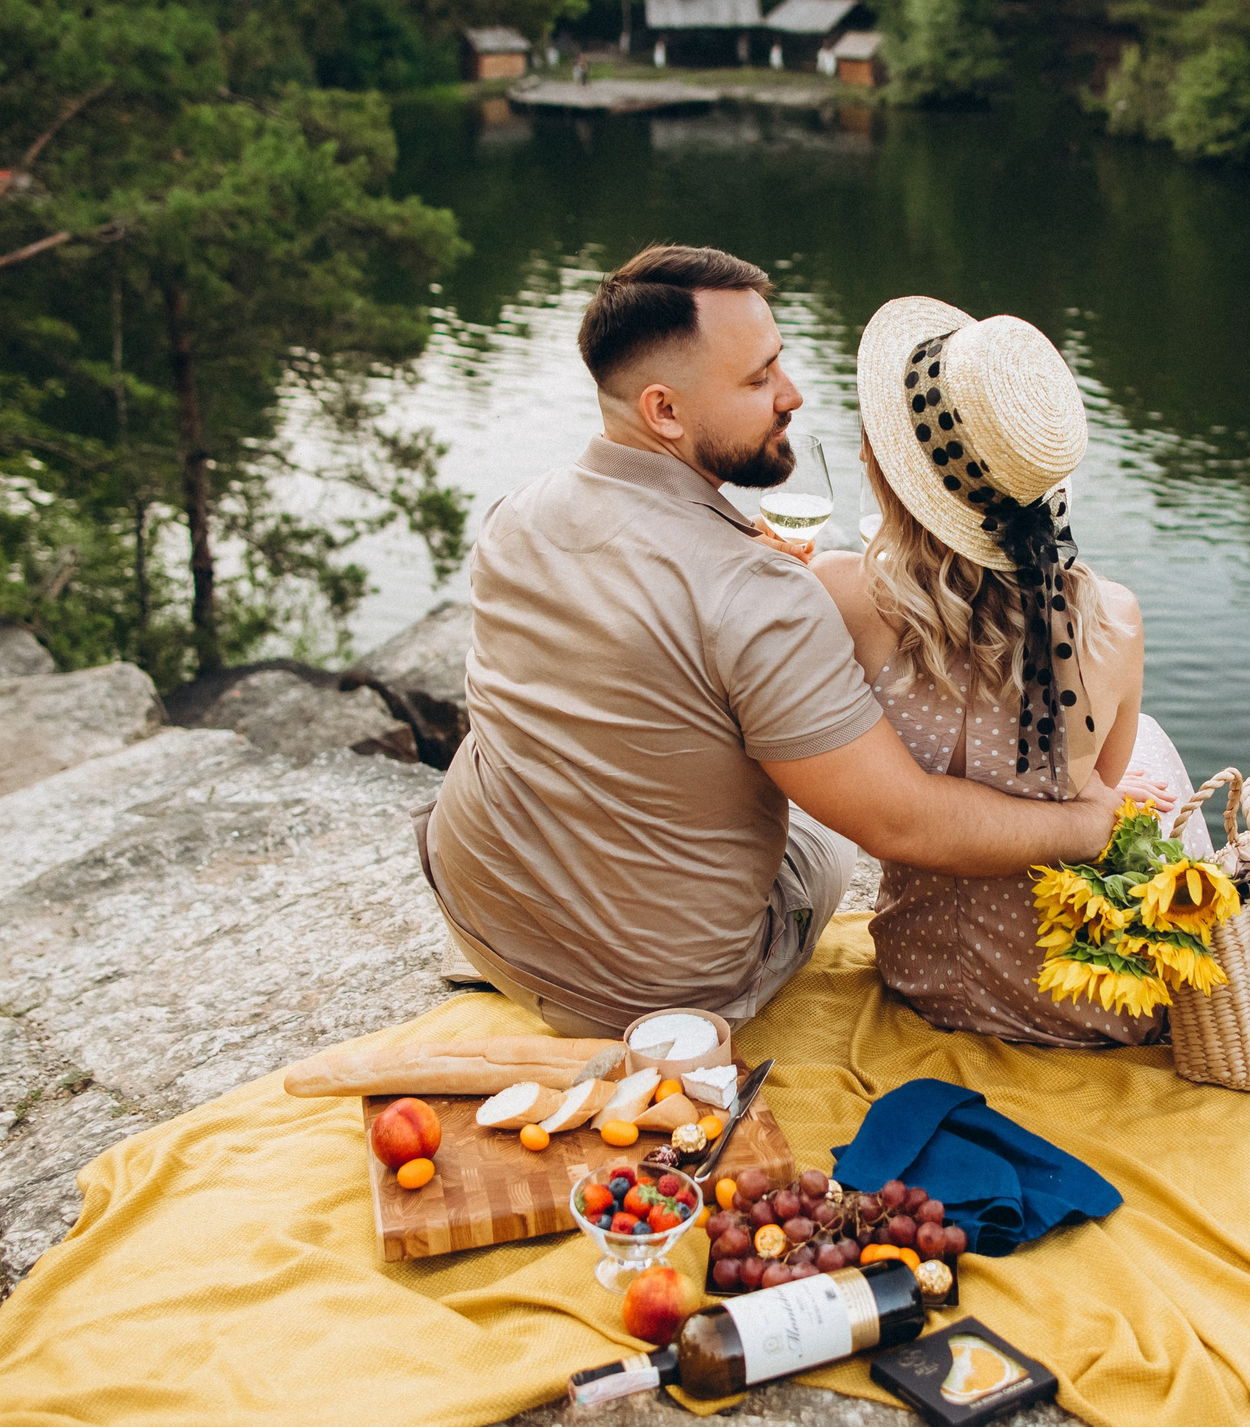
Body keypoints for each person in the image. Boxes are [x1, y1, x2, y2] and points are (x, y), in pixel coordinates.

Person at [416, 246, 1126, 1036]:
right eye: (758, 380)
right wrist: (1089, 824)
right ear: (665, 411)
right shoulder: (762, 597)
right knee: (826, 823)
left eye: (778, 363)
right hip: (658, 994)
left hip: (484, 916)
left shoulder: (518, 512)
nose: (791, 395)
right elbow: (904, 824)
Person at [809, 298, 1212, 1048]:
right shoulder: (1113, 622)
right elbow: (1103, 782)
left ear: (885, 470)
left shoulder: (845, 597)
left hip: (920, 975)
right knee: (1143, 751)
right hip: (1085, 1000)